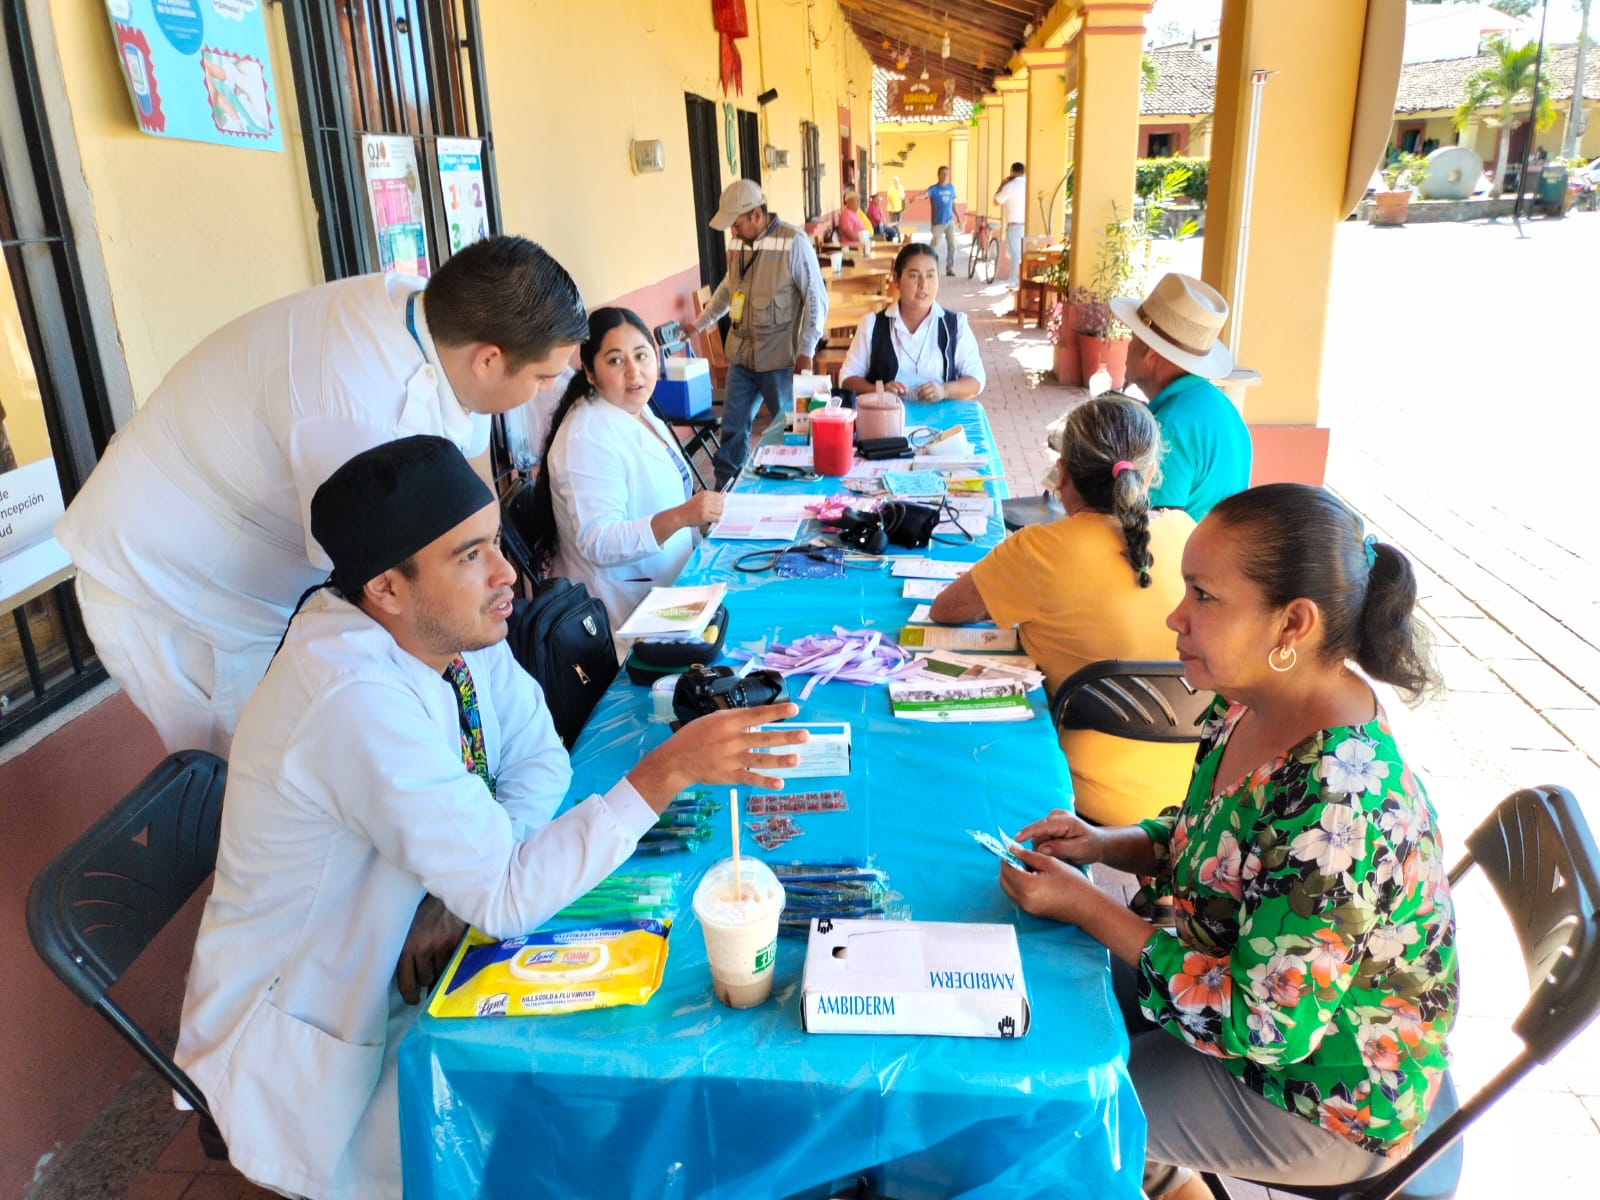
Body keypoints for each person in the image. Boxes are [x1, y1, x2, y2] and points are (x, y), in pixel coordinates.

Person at [174, 435, 805, 1200]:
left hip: (422, 953)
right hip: (320, 1039)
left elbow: (540, 760)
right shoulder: (352, 699)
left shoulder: (449, 628)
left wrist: (465, 882)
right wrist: (664, 772)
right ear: (386, 588)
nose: (509, 572)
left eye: (495, 540)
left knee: (618, 1085)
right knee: (573, 1136)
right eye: (471, 554)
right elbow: (507, 899)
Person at [1000, 483, 1455, 1200]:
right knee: (1039, 986)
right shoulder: (1254, 699)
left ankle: (1149, 1173)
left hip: (1320, 1091)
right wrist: (1099, 844)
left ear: (1292, 624)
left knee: (1063, 1112)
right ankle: (1157, 1172)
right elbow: (1208, 836)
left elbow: (1265, 1025)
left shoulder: (1339, 807)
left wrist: (1090, 908)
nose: (1177, 617)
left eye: (1204, 597)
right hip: (1236, 980)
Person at [54, 235, 588, 757]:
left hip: (257, 563)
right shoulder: (360, 409)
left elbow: (466, 500)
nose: (547, 390)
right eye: (543, 377)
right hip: (176, 586)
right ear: (489, 360)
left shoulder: (433, 319)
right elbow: (381, 590)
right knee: (259, 762)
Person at [929, 395, 1191, 823]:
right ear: (1149, 475)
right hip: (1190, 787)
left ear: (1063, 473)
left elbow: (947, 609)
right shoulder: (1186, 533)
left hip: (1075, 786)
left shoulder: (1037, 551)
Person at [524, 307, 724, 630]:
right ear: (589, 371)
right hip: (626, 618)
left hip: (671, 589)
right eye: (616, 360)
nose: (634, 372)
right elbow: (598, 540)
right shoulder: (587, 437)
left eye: (642, 356)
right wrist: (681, 516)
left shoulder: (637, 408)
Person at [690, 179, 827, 489]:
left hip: (781, 359)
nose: (733, 232)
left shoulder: (794, 242)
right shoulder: (738, 245)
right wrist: (699, 323)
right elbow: (728, 290)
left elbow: (817, 300)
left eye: (737, 224)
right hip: (741, 357)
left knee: (793, 431)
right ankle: (725, 497)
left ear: (756, 214)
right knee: (734, 431)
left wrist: (806, 350)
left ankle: (795, 490)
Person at [1114, 272, 1252, 522]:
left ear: (1150, 353)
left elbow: (1155, 536)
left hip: (1186, 559)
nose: (1128, 346)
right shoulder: (1219, 405)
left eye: (1134, 337)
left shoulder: (1169, 427)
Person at [838, 242, 985, 402]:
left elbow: (976, 380)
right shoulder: (872, 325)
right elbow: (847, 379)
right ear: (896, 279)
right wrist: (879, 390)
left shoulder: (955, 326)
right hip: (886, 421)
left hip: (943, 423)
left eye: (930, 275)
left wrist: (944, 390)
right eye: (914, 275)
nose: (923, 285)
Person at [993, 161, 1027, 288]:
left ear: (1012, 171)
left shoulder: (1009, 186)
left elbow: (996, 201)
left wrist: (1002, 184)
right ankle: (1019, 279)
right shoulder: (1028, 184)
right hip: (1026, 225)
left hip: (1014, 225)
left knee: (1014, 254)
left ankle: (1014, 282)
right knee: (1018, 253)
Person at [925, 165, 959, 275]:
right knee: (934, 244)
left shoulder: (951, 188)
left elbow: (953, 204)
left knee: (952, 245)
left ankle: (950, 268)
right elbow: (925, 194)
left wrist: (958, 217)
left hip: (949, 221)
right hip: (937, 223)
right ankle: (927, 266)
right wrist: (915, 197)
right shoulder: (933, 189)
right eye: (943, 174)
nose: (945, 176)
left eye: (947, 174)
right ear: (938, 175)